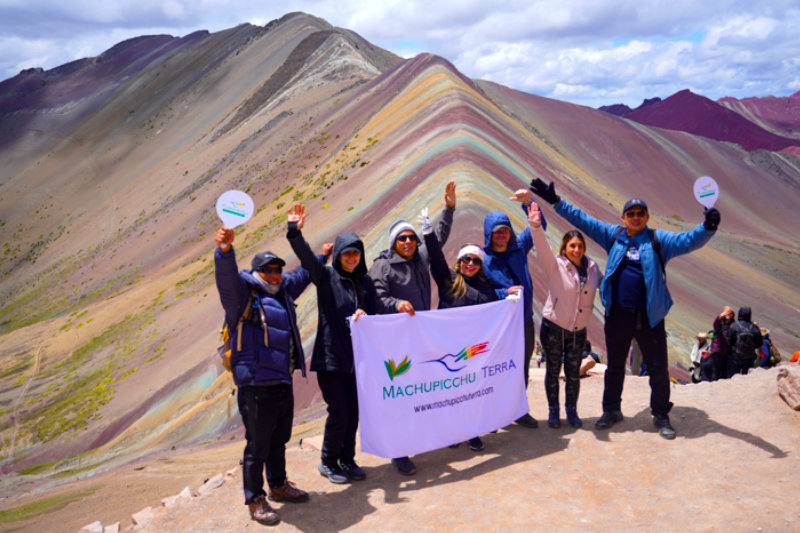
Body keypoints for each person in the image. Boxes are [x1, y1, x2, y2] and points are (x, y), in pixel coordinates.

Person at [529, 177, 720, 439]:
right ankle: (611, 410)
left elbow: (687, 241)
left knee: (657, 368)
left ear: (647, 217)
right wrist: (555, 201)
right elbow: (583, 221)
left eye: (641, 213)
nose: (636, 217)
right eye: (631, 213)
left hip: (650, 316)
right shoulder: (614, 236)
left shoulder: (658, 240)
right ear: (623, 218)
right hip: (618, 315)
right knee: (616, 365)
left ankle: (661, 414)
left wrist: (708, 228)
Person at [215, 226, 325, 525]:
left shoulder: (283, 290)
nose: (275, 275)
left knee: (279, 438)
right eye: (268, 270)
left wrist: (323, 255)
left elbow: (303, 275)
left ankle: (277, 484)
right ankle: (255, 498)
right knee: (257, 444)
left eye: (278, 269)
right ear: (257, 272)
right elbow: (226, 279)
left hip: (281, 379)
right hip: (255, 382)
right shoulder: (242, 294)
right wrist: (225, 252)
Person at [286, 203, 388, 484]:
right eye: (347, 253)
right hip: (331, 358)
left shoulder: (364, 283)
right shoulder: (327, 277)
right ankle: (328, 461)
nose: (352, 258)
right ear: (339, 255)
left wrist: (365, 315)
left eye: (356, 253)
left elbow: (375, 314)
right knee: (340, 410)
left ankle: (347, 459)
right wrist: (294, 232)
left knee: (354, 411)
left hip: (357, 360)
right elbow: (307, 260)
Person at [368, 182, 456, 476]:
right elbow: (377, 298)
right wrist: (396, 304)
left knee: (423, 387)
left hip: (420, 336)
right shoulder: (382, 266)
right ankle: (400, 451)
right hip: (396, 341)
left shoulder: (420, 256)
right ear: (393, 242)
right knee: (401, 392)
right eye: (402, 239)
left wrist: (449, 208)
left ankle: (424, 436)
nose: (408, 242)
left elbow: (438, 238)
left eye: (411, 238)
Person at [423, 208, 497, 450]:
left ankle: (472, 432)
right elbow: (435, 257)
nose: (471, 264)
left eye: (476, 261)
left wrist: (512, 299)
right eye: (466, 259)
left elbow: (495, 317)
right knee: (447, 393)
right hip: (445, 349)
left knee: (471, 394)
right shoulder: (448, 281)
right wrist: (428, 233)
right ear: (459, 262)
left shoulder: (487, 290)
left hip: (472, 353)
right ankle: (452, 432)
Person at [528, 201, 601, 429]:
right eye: (572, 246)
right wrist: (535, 226)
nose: (576, 250)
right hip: (554, 327)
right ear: (564, 248)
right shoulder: (555, 265)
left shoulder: (592, 268)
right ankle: (553, 411)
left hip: (578, 330)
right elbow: (542, 248)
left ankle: (571, 410)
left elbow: (603, 287)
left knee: (572, 372)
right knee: (552, 371)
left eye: (579, 246)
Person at [483, 190, 543, 429]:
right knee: (498, 368)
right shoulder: (483, 260)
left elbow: (539, 225)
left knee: (521, 366)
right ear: (489, 234)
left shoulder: (519, 247)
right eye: (497, 232)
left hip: (524, 320)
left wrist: (529, 203)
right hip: (499, 327)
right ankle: (494, 413)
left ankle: (518, 409)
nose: (502, 235)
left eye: (505, 230)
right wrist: (502, 294)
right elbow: (481, 294)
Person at [726, 307, 763, 376]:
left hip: (735, 357)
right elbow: (759, 343)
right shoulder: (754, 328)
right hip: (749, 358)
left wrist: (729, 353)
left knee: (732, 377)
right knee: (746, 377)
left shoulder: (734, 326)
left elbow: (728, 342)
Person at [708, 307, 735, 380]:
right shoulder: (720, 324)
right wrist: (720, 316)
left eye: (731, 313)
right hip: (717, 351)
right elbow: (715, 324)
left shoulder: (733, 326)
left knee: (724, 374)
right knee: (715, 373)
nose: (728, 315)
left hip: (727, 353)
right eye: (727, 312)